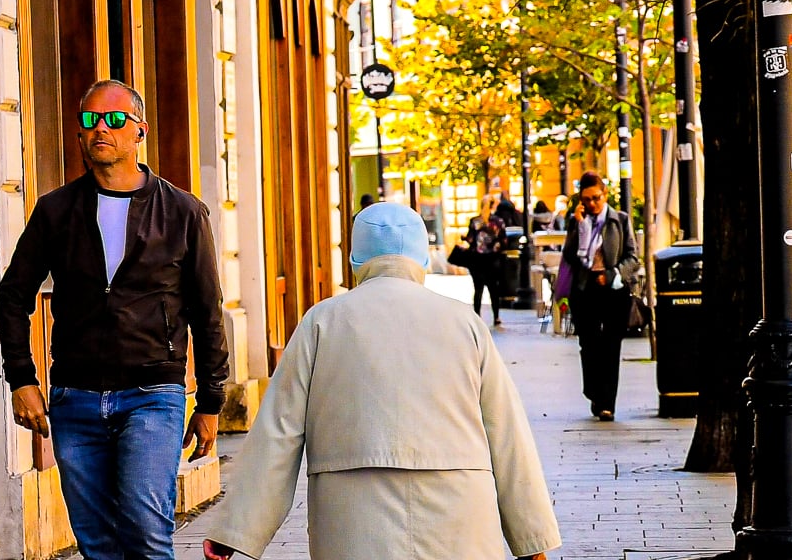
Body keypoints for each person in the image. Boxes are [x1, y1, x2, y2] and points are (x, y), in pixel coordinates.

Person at [201, 202, 561, 560]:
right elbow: (507, 433)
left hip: (353, 513)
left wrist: (236, 532)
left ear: (357, 258)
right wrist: (533, 540)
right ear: (420, 256)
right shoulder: (464, 322)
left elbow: (278, 433)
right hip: (458, 510)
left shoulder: (322, 322)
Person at [0, 79, 229, 559]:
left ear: (139, 131)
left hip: (152, 395)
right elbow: (12, 295)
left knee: (146, 532)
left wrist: (210, 401)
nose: (102, 128)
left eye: (115, 119)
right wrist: (22, 379)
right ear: (80, 133)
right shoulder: (56, 211)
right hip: (74, 399)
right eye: (90, 119)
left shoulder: (183, 212)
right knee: (97, 545)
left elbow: (208, 311)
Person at [561, 171, 639, 422]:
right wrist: (579, 228)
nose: (591, 204)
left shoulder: (620, 220)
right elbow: (570, 257)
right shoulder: (577, 221)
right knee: (589, 345)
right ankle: (594, 391)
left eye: (595, 198)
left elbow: (633, 258)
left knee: (611, 346)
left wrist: (613, 272)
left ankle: (608, 404)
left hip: (614, 289)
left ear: (604, 194)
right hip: (585, 289)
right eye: (585, 199)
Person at [465, 195, 507, 326]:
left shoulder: (475, 221)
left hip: (477, 260)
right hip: (492, 260)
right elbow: (504, 240)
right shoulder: (498, 222)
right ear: (493, 206)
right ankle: (496, 317)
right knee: (493, 290)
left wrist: (465, 239)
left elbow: (470, 239)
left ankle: (477, 316)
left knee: (478, 289)